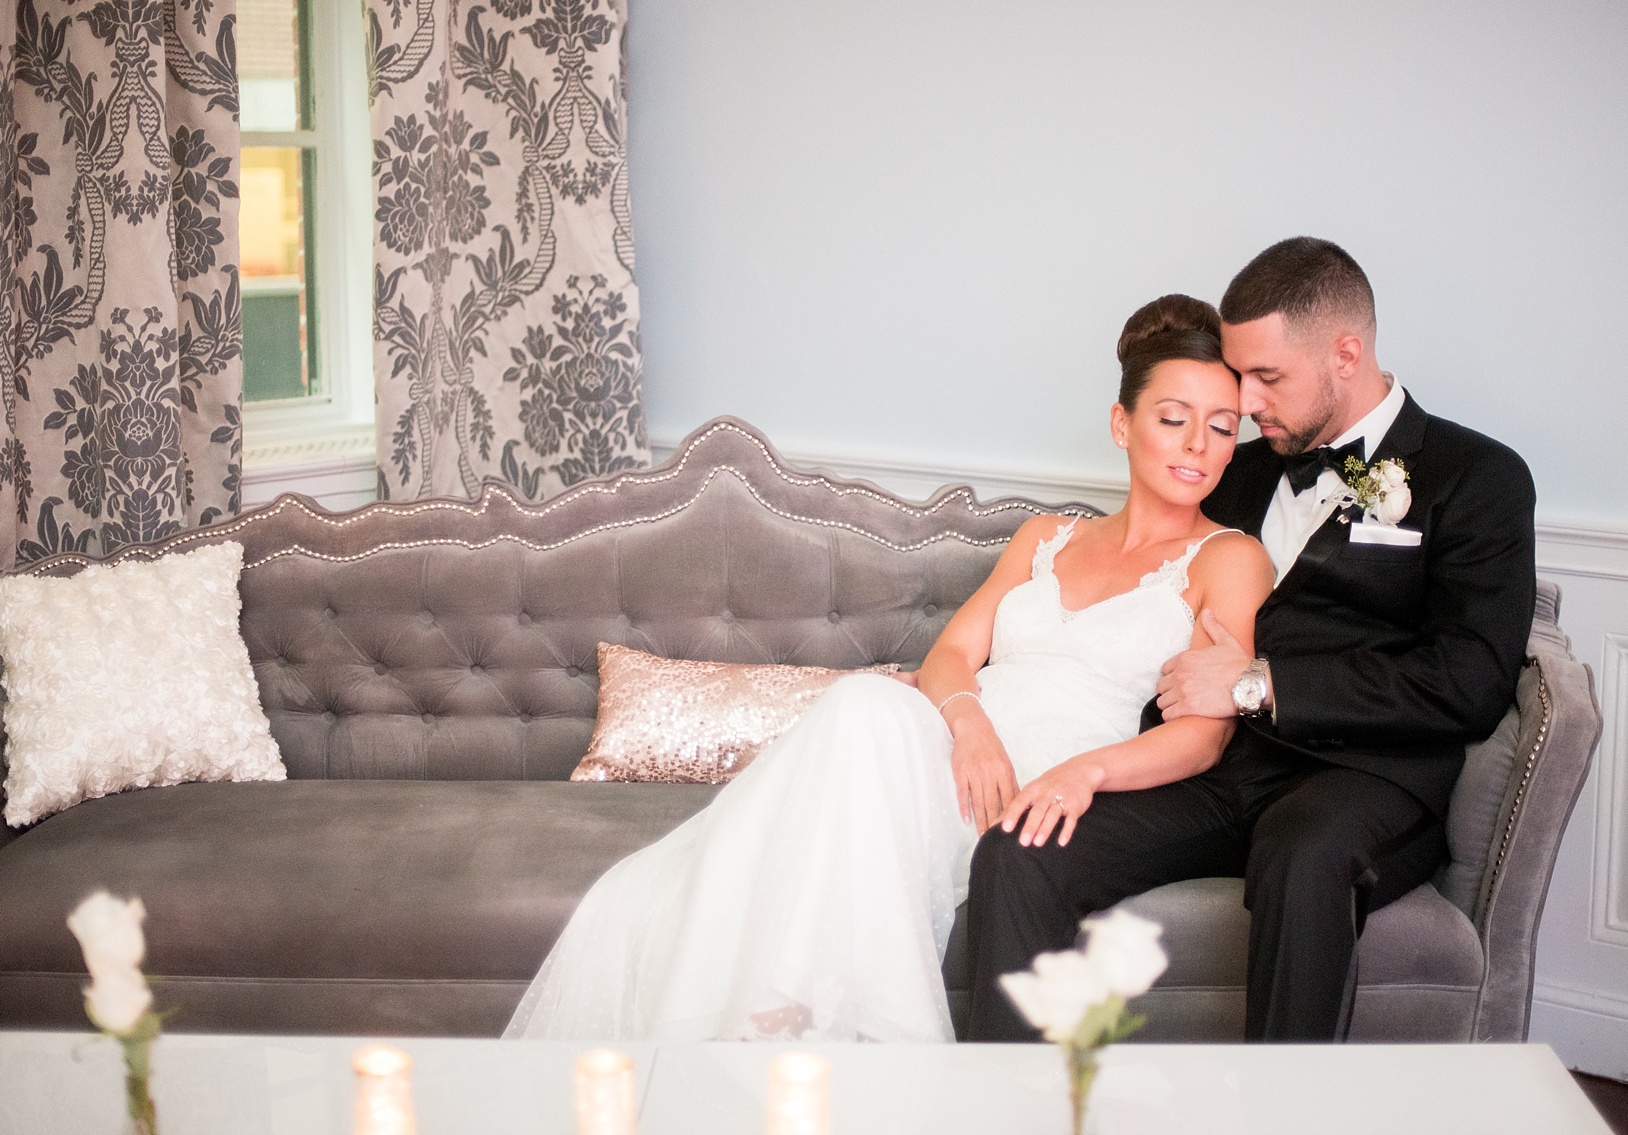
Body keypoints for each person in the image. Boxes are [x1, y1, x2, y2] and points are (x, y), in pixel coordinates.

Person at [503, 295, 1274, 1042]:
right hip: (961, 748)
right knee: (865, 704)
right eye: (1174, 420)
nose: (1198, 446)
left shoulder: (1230, 559)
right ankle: (782, 1031)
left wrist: (1086, 775)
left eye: (1221, 428)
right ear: (1122, 423)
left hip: (1043, 778)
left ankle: (801, 1035)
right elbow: (950, 658)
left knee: (860, 736)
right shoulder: (1048, 536)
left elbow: (1204, 737)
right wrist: (968, 726)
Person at [961, 237, 1537, 1042]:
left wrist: (1258, 685)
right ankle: (1010, 1107)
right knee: (1023, 843)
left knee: (1304, 860)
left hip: (1366, 776)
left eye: (1268, 377)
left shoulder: (1477, 477)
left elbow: (1470, 678)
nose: (1249, 402)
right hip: (1222, 765)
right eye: (1241, 376)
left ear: (1346, 352)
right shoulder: (1241, 466)